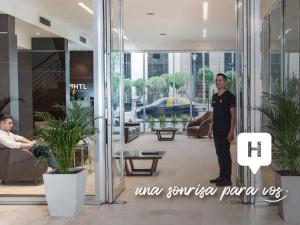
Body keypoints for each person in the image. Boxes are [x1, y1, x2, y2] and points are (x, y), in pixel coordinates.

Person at [208, 73, 236, 186]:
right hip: (216, 130)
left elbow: (233, 115)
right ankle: (221, 176)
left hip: (225, 130)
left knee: (225, 153)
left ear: (225, 82)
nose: (218, 82)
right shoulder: (215, 96)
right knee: (219, 153)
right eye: (217, 80)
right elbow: (213, 114)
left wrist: (231, 131)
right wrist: (210, 128)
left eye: (220, 80)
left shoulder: (230, 96)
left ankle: (227, 179)